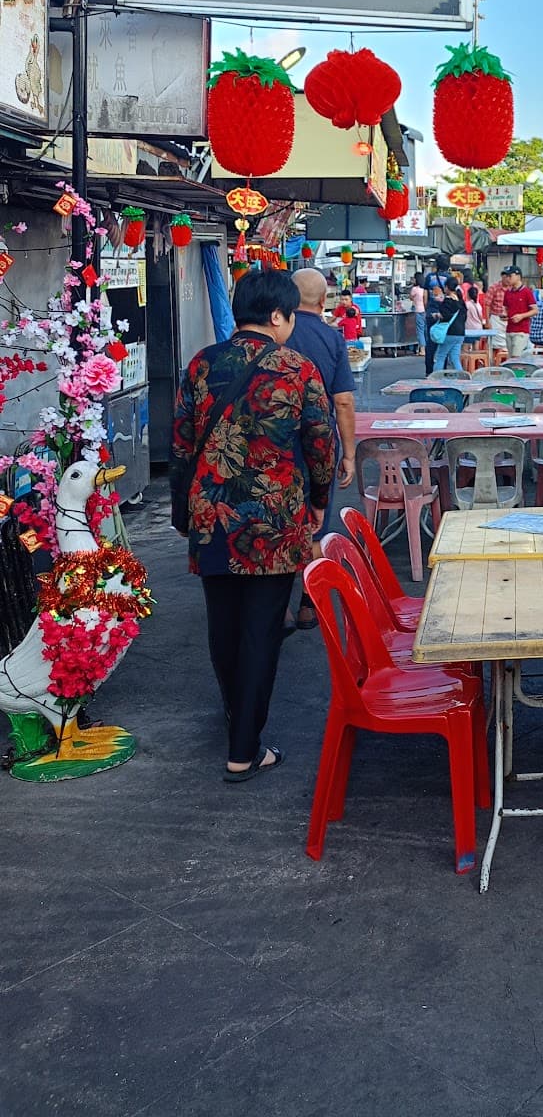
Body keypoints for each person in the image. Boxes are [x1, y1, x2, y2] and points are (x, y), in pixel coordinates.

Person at [171, 269, 334, 780]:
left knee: (223, 627)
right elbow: (321, 445)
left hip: (211, 516)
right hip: (274, 520)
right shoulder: (297, 368)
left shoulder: (201, 364)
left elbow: (180, 444)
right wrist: (319, 501)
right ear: (278, 315)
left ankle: (235, 721)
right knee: (262, 630)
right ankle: (243, 749)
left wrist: (183, 511)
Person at [287, 269, 359, 628]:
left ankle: (277, 604)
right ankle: (308, 603)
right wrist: (349, 454)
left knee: (280, 521)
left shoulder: (276, 333)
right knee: (315, 522)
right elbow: (343, 401)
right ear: (322, 300)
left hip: (274, 444)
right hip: (319, 444)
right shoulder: (331, 338)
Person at [431, 277, 468, 372]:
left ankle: (435, 378)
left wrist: (436, 315)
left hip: (449, 332)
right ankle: (461, 377)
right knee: (455, 358)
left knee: (440, 356)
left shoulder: (448, 301)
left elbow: (444, 315)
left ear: (447, 287)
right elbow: (464, 317)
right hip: (460, 333)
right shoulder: (461, 301)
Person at [422, 255, 451, 375]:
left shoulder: (429, 277)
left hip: (431, 313)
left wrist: (427, 309)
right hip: (444, 314)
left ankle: (429, 371)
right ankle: (442, 371)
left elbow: (425, 296)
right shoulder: (449, 278)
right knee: (443, 342)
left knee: (430, 343)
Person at [502, 264, 537, 357]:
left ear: (518, 276)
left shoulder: (527, 292)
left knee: (516, 357)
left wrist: (521, 316)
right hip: (509, 329)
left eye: (510, 276)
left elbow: (535, 310)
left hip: (521, 330)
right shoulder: (508, 292)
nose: (507, 279)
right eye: (506, 276)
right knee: (511, 357)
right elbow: (505, 308)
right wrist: (505, 314)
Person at [409, 277, 426, 351]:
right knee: (425, 330)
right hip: (425, 310)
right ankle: (425, 348)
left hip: (418, 310)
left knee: (420, 330)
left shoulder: (415, 289)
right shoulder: (424, 289)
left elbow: (410, 297)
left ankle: (422, 349)